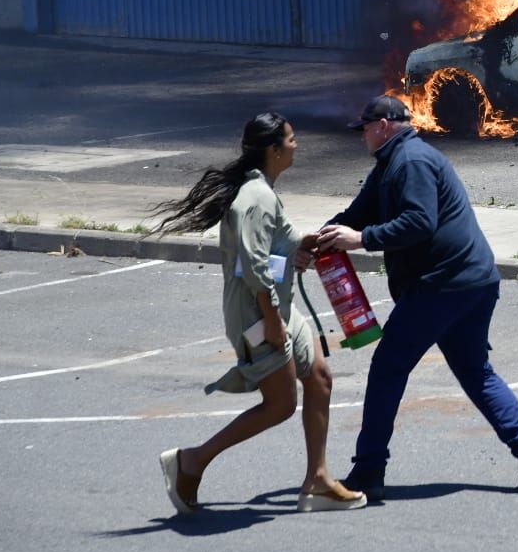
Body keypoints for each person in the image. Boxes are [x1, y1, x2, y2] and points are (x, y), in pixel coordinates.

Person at [314, 94, 518, 500]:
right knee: (475, 370)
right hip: (471, 281)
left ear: (385, 127)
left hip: (443, 284)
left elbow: (419, 222)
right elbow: (357, 214)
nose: (363, 137)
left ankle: (369, 469)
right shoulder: (391, 163)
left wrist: (361, 240)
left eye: (366, 129)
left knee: (388, 369)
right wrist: (321, 238)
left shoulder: (411, 162)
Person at [154, 112, 364, 516]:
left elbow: (275, 244)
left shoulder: (264, 190)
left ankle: (317, 481)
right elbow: (253, 266)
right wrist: (271, 321)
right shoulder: (256, 198)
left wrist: (307, 243)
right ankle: (192, 461)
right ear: (273, 150)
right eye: (291, 140)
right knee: (280, 405)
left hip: (278, 308)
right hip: (259, 314)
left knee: (319, 377)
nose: (296, 145)